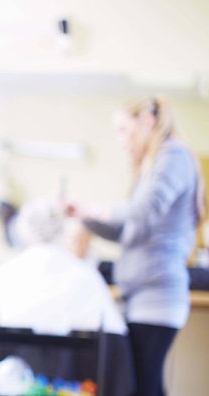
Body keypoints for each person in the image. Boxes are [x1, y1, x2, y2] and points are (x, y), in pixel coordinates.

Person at [64, 96, 207, 396]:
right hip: (140, 298)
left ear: (147, 121)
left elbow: (145, 210)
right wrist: (85, 217)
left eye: (123, 130)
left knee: (142, 386)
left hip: (157, 300)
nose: (121, 140)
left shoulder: (174, 156)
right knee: (145, 385)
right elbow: (129, 229)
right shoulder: (152, 165)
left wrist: (97, 210)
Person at [0, 198, 127, 351]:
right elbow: (116, 337)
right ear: (63, 231)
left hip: (14, 370)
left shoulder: (6, 275)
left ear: (23, 231)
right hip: (75, 374)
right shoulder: (86, 276)